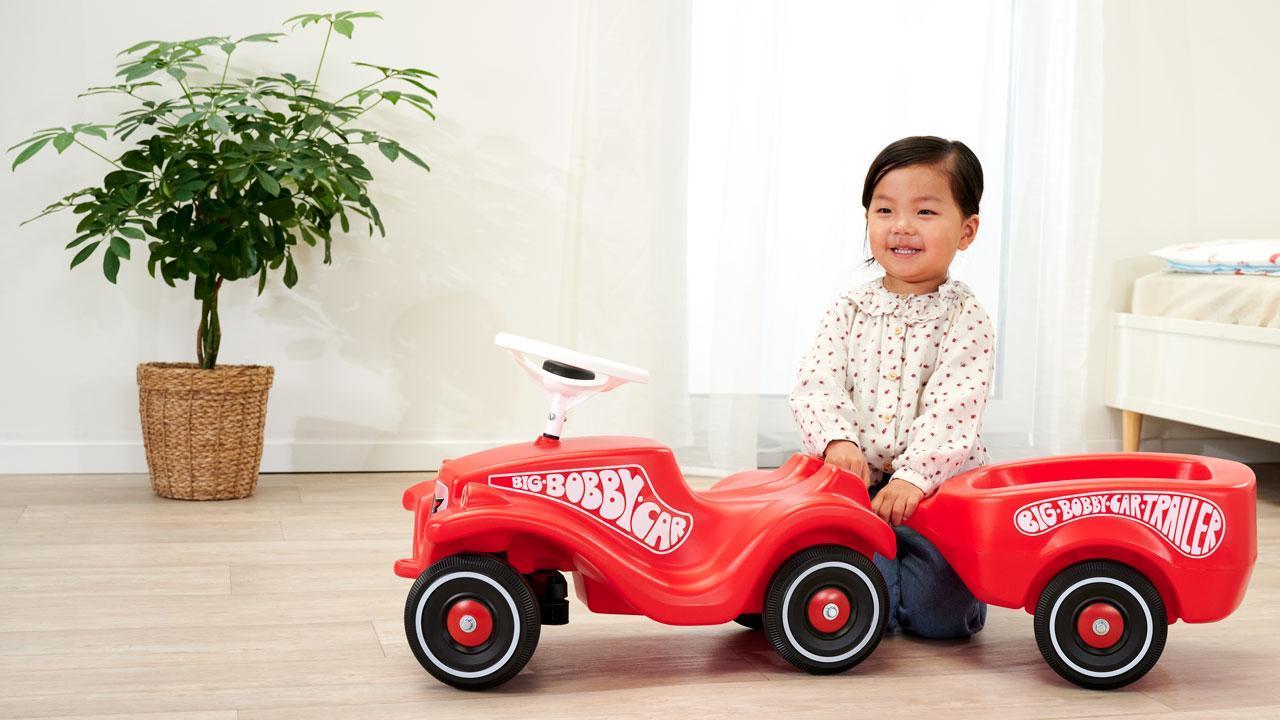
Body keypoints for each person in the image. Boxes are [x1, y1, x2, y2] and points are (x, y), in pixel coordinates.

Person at [789, 135, 994, 638]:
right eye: (885, 210)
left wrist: (914, 478)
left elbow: (954, 408)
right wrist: (838, 441)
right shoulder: (848, 309)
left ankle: (937, 587)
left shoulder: (964, 317)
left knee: (940, 620)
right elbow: (817, 384)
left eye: (925, 212)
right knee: (853, 599)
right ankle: (883, 587)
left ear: (966, 231)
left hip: (935, 492)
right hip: (855, 488)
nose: (901, 226)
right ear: (868, 219)